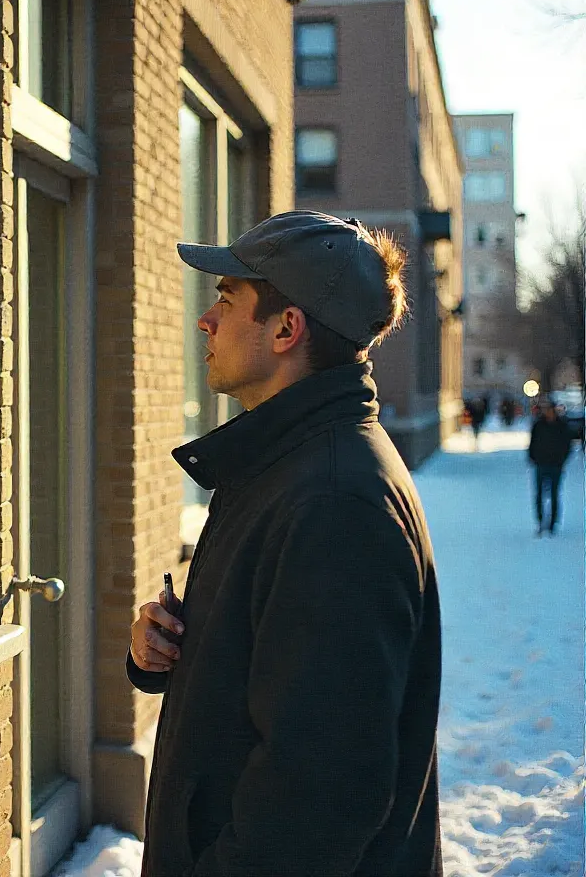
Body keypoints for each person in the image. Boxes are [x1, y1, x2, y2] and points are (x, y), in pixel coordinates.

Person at [128, 211, 442, 877]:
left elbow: (323, 793)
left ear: (286, 329)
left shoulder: (332, 501)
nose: (203, 321)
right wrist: (173, 647)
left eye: (226, 300)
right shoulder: (284, 463)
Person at [528, 400, 573, 537]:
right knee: (539, 495)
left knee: (554, 494)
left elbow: (567, 444)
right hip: (541, 464)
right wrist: (533, 457)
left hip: (555, 464)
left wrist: (562, 459)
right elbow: (533, 443)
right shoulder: (538, 425)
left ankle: (553, 523)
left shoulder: (561, 426)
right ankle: (541, 522)